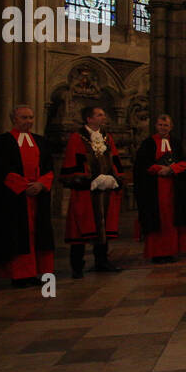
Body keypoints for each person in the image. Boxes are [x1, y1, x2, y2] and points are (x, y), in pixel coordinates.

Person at [0, 105, 55, 287]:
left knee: (37, 235)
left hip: (37, 197)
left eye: (31, 117)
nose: (28, 121)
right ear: (14, 119)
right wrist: (23, 186)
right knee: (17, 235)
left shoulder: (41, 141)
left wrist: (41, 184)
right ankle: (19, 274)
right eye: (24, 118)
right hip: (14, 199)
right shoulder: (0, 142)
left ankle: (33, 272)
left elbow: (49, 167)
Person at [62, 106, 125, 278]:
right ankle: (77, 266)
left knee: (103, 226)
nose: (103, 117)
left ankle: (102, 261)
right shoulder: (77, 138)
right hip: (86, 191)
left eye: (103, 114)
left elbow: (115, 159)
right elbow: (72, 162)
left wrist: (114, 178)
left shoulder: (106, 137)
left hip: (104, 190)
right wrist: (88, 179)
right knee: (80, 228)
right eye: (99, 115)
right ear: (89, 119)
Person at [134, 114, 186, 263]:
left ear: (171, 127)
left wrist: (171, 169)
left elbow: (184, 162)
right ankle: (157, 252)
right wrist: (159, 169)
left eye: (166, 125)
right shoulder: (148, 143)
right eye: (160, 125)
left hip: (174, 188)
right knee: (159, 219)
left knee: (172, 218)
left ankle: (171, 251)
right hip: (154, 189)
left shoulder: (176, 143)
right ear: (156, 126)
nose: (163, 128)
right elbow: (142, 164)